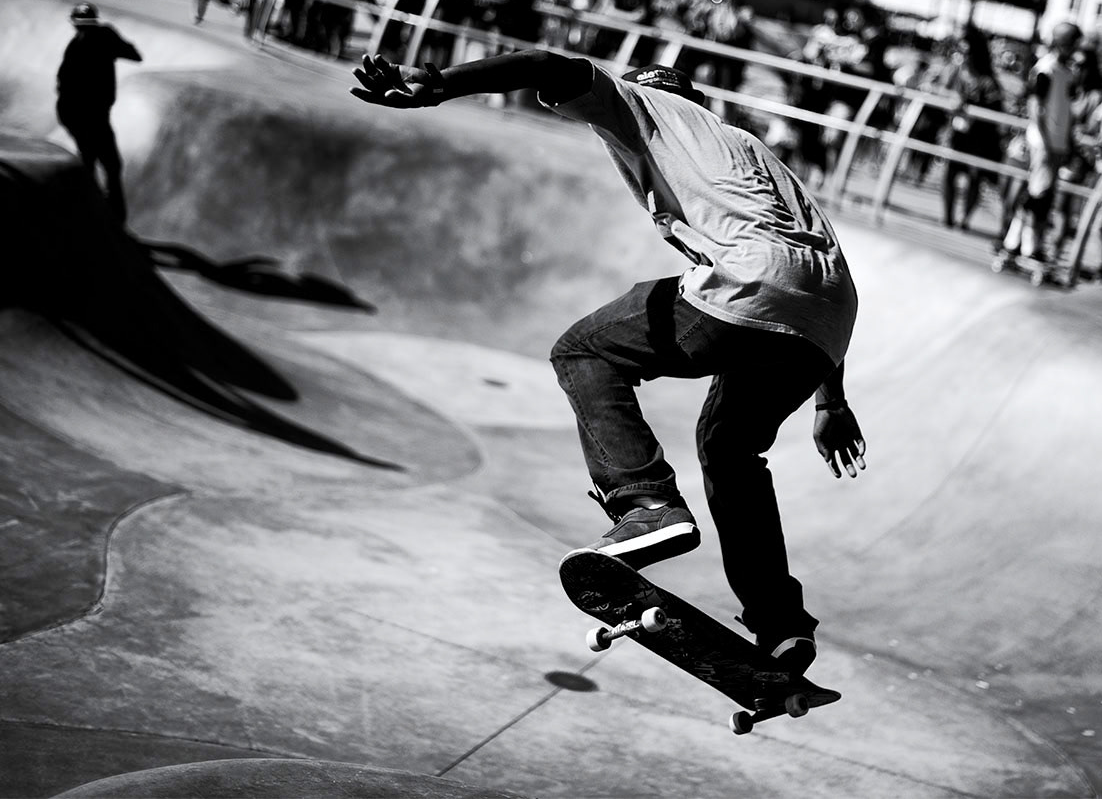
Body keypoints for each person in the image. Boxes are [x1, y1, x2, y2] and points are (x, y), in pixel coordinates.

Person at [348, 51, 868, 674]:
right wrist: (832, 400)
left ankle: (647, 504)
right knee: (730, 448)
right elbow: (810, 272)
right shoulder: (747, 148)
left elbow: (548, 63)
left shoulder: (640, 106)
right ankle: (780, 624)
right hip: (827, 321)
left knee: (584, 349)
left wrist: (441, 85)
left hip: (749, 286)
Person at [998, 22, 1081, 267]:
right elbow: (1035, 105)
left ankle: (1017, 242)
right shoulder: (1047, 68)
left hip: (1057, 142)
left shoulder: (1066, 71)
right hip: (1043, 141)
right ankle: (1025, 246)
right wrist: (1044, 141)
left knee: (1041, 196)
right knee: (1037, 195)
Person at [56, 3, 141, 222]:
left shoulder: (75, 45)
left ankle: (90, 213)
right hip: (89, 115)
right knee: (110, 165)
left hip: (74, 113)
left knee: (92, 161)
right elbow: (135, 55)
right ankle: (107, 216)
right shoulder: (102, 36)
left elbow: (61, 83)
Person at [939, 24, 1005, 231]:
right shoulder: (954, 70)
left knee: (974, 178)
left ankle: (964, 220)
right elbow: (938, 88)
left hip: (979, 137)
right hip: (957, 133)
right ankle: (948, 217)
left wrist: (973, 104)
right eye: (960, 50)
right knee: (950, 173)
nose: (963, 55)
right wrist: (952, 96)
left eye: (967, 51)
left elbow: (996, 106)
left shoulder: (987, 80)